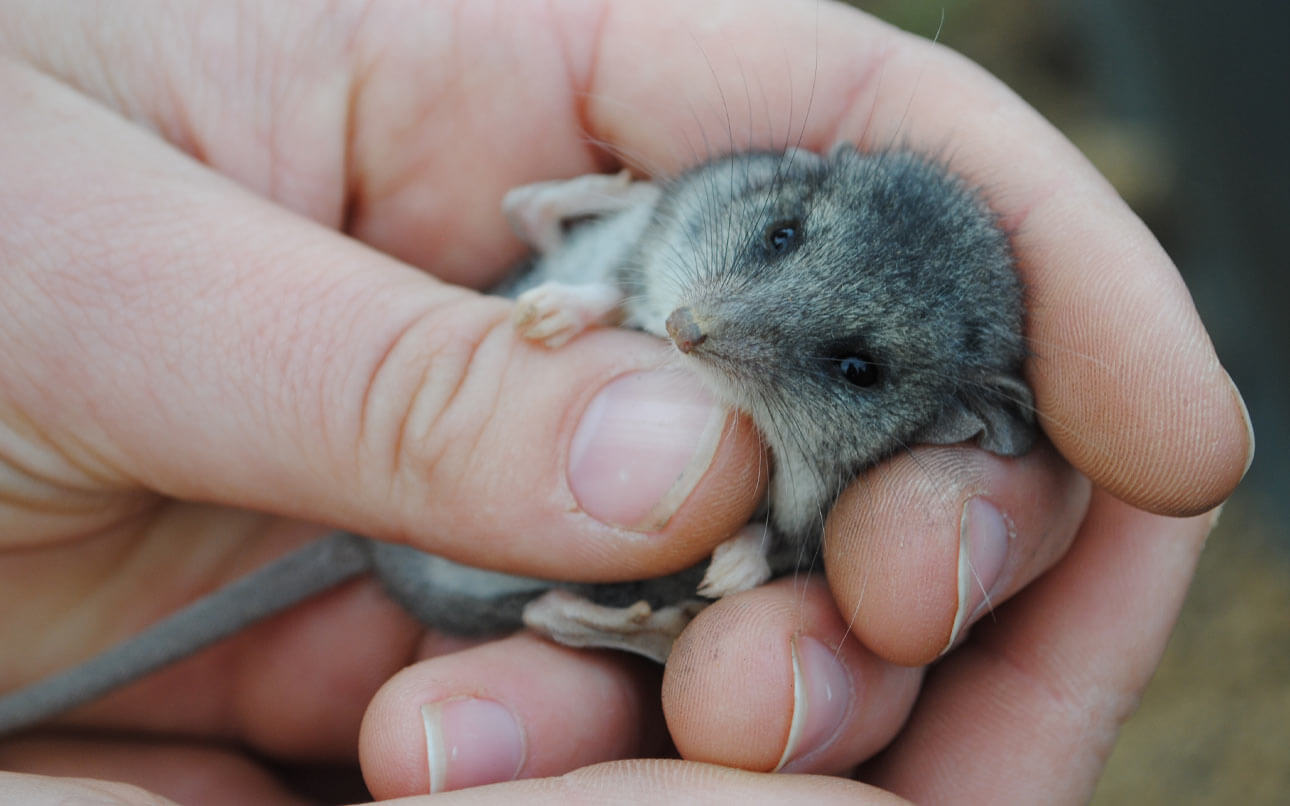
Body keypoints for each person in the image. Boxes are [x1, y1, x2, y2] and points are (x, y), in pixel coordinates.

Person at [0, 1, 1252, 803]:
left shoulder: (839, 477)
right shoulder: (701, 210)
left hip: (484, 594)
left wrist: (745, 548)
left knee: (727, 619)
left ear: (955, 425)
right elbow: (650, 253)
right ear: (808, 179)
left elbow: (771, 535)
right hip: (401, 515)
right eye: (775, 242)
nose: (716, 325)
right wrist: (536, 341)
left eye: (853, 368)